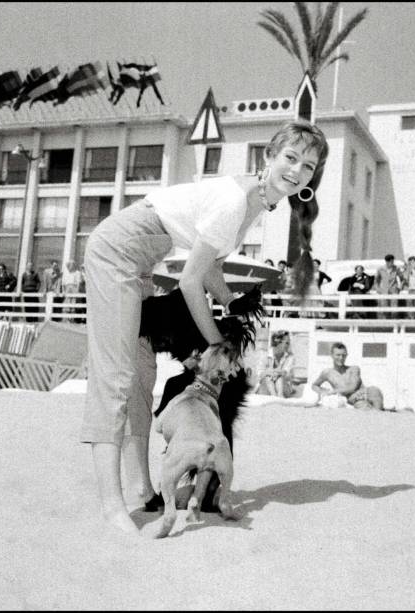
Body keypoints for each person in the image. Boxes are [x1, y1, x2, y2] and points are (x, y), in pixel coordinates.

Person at [80, 119, 329, 535]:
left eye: (308, 166)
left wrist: (230, 300)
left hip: (139, 261)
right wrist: (218, 345)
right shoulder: (236, 201)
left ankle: (142, 487)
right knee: (115, 377)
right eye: (290, 157)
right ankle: (111, 505)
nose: (297, 170)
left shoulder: (256, 201)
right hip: (115, 252)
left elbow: (210, 264)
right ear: (269, 156)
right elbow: (189, 282)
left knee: (143, 374)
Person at [311, 342, 385, 411]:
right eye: (338, 355)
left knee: (374, 392)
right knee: (365, 409)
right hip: (355, 399)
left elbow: (352, 387)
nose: (341, 358)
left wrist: (332, 392)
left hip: (367, 392)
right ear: (332, 355)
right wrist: (324, 392)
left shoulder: (354, 369)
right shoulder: (327, 373)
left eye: (344, 355)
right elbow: (314, 385)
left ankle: (380, 411)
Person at [255, 330, 296, 398]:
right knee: (268, 377)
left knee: (280, 378)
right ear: (277, 342)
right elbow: (259, 373)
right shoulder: (265, 354)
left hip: (283, 387)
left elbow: (287, 373)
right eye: (287, 343)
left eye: (289, 343)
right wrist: (269, 373)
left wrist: (277, 373)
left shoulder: (290, 357)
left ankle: (278, 396)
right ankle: (275, 396)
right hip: (266, 385)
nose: (289, 345)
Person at [374, 254, 402, 319]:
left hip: (394, 290)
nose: (392, 263)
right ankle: (385, 323)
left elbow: (402, 278)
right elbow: (376, 280)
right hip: (384, 290)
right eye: (391, 262)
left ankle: (394, 322)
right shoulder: (380, 269)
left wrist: (399, 288)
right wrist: (378, 289)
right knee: (384, 307)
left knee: (394, 308)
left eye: (393, 262)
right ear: (387, 262)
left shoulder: (396, 268)